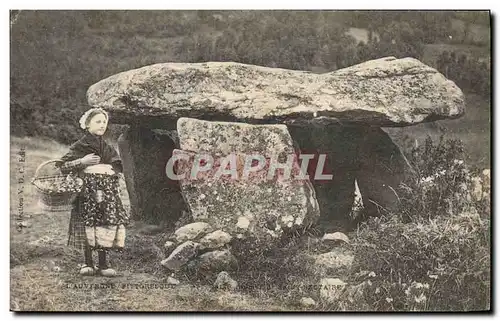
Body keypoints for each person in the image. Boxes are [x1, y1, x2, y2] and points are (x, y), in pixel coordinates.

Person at [58, 108, 129, 277]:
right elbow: (62, 166)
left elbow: (118, 163)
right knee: (88, 225)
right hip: (86, 193)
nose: (102, 125)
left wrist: (112, 169)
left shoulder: (106, 146)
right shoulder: (80, 145)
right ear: (87, 124)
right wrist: (82, 161)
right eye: (98, 121)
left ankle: (103, 264)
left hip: (105, 194)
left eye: (104, 122)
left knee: (104, 224)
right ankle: (88, 263)